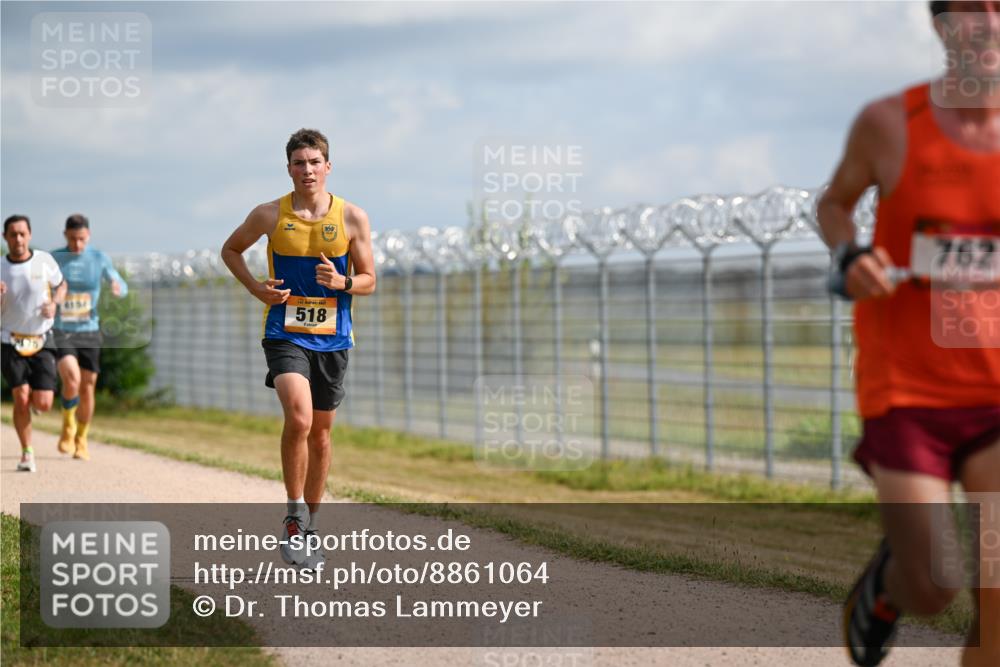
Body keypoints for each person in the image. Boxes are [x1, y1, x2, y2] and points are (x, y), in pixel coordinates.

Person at [818, 2, 1000, 665]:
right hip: (910, 388)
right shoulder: (890, 124)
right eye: (970, 9)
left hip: (995, 393)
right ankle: (889, 582)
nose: (988, 23)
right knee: (936, 582)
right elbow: (833, 204)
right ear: (941, 25)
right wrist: (850, 257)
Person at [221, 128, 376, 569]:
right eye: (298, 163)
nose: (306, 170)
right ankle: (292, 516)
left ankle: (310, 526)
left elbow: (369, 279)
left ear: (327, 166)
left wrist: (343, 282)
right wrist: (256, 288)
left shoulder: (352, 218)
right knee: (300, 417)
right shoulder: (269, 214)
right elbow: (231, 250)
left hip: (333, 337)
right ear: (287, 168)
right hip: (284, 332)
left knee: (322, 435)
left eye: (314, 162)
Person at [51, 213, 128, 461]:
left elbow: (118, 280)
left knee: (87, 386)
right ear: (65, 235)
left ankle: (81, 438)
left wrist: (117, 287)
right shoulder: (54, 258)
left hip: (90, 330)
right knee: (71, 378)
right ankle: (67, 424)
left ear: (89, 236)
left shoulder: (98, 258)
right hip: (62, 329)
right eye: (72, 239)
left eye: (81, 239)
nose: (77, 245)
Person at [1, 215, 67, 472]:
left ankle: (34, 405)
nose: (18, 239)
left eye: (22, 234)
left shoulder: (44, 261)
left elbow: (62, 285)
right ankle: (27, 453)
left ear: (29, 235)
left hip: (42, 338)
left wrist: (55, 303)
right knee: (21, 396)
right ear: (4, 237)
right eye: (12, 234)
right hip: (9, 339)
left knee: (43, 403)